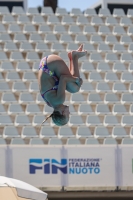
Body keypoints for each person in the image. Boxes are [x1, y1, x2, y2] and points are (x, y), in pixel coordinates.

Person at [38, 44, 87, 126]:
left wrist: (77, 80)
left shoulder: (59, 100)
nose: (69, 112)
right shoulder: (50, 104)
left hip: (51, 64)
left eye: (68, 115)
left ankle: (74, 56)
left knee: (75, 87)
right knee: (72, 88)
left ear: (62, 113)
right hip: (44, 64)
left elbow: (64, 78)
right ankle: (74, 56)